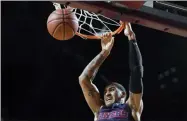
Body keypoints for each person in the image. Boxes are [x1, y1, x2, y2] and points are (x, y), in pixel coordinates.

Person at [79, 22, 144, 121]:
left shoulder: (131, 107)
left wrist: (131, 37)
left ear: (122, 94)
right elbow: (83, 79)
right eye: (105, 92)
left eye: (112, 90)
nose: (107, 94)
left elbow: (136, 71)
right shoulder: (99, 110)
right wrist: (104, 52)